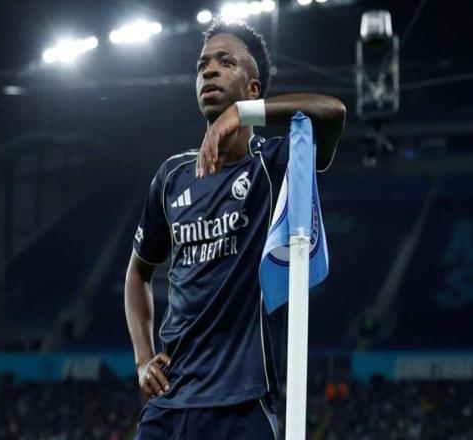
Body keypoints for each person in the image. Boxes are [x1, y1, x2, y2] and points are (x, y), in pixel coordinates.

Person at [125, 19, 346, 439]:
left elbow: (331, 112)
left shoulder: (273, 163)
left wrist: (242, 114)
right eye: (202, 65)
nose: (209, 70)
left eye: (226, 62)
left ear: (253, 87)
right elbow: (138, 273)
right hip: (169, 403)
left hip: (241, 405)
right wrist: (142, 358)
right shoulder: (171, 176)